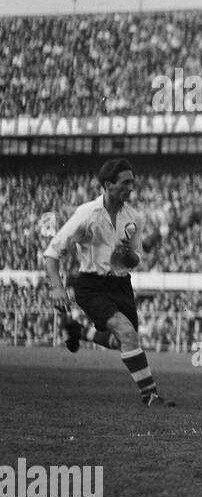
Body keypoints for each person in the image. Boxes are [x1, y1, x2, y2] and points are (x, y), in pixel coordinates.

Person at [41, 157, 173, 406]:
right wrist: (57, 288)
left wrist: (128, 256)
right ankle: (150, 395)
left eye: (132, 182)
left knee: (124, 340)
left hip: (121, 285)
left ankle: (79, 331)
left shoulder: (133, 217)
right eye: (125, 183)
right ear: (107, 184)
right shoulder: (87, 213)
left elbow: (137, 259)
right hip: (92, 285)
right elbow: (51, 252)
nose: (131, 188)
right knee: (127, 333)